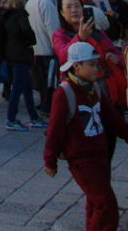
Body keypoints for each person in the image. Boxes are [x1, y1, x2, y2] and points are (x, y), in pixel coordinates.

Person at [44, 41, 128, 231]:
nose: (95, 69)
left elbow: (112, 118)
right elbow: (54, 129)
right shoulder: (64, 92)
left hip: (100, 154)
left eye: (96, 64)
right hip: (81, 158)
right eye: (90, 65)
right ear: (76, 66)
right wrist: (50, 160)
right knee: (106, 204)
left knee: (95, 202)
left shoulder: (95, 88)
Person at [52, 0, 125, 115]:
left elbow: (117, 53)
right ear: (62, 13)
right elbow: (63, 56)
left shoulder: (97, 32)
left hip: (106, 89)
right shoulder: (60, 35)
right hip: (80, 92)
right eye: (69, 7)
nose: (74, 10)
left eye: (77, 6)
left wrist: (117, 58)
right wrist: (80, 37)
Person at [0, 0, 47, 132]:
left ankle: (33, 117)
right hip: (21, 54)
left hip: (10, 54)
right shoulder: (21, 15)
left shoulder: (6, 16)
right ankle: (11, 119)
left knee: (27, 87)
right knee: (17, 89)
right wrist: (32, 40)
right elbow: (27, 33)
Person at [26, 0, 60, 116]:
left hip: (34, 49)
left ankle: (42, 102)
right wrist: (57, 46)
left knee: (39, 78)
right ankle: (48, 105)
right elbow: (52, 27)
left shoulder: (29, 3)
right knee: (49, 79)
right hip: (47, 48)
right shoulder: (46, 3)